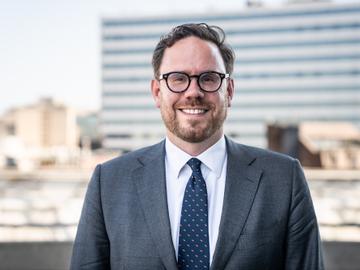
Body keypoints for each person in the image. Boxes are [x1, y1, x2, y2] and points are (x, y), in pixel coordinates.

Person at [70, 23, 324, 270]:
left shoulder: (283, 179)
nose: (193, 92)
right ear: (157, 92)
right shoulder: (110, 182)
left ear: (230, 91)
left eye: (209, 78)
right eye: (178, 78)